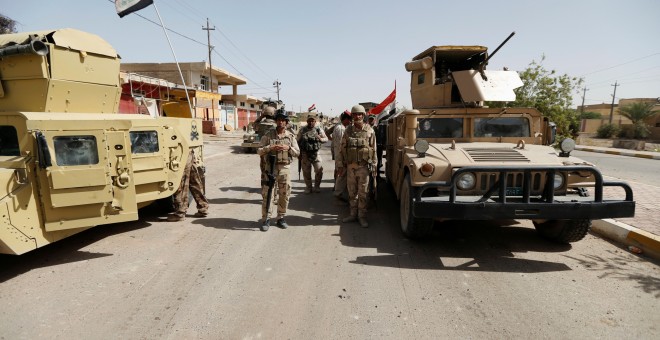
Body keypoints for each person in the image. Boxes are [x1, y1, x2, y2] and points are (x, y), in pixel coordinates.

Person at [257, 112, 300, 231]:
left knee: (284, 194)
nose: (281, 122)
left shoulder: (290, 136)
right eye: (279, 120)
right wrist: (270, 148)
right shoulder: (268, 135)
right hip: (270, 168)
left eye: (283, 120)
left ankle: (281, 217)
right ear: (276, 121)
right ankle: (266, 219)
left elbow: (297, 153)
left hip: (284, 169)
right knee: (268, 194)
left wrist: (288, 148)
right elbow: (259, 151)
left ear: (286, 123)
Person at [337, 104, 377, 228]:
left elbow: (374, 149)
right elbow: (342, 148)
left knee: (363, 193)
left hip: (364, 168)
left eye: (360, 114)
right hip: (350, 167)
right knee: (351, 192)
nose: (357, 116)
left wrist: (374, 165)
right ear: (352, 116)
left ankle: (362, 216)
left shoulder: (370, 130)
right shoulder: (348, 130)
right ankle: (353, 214)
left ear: (363, 116)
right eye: (355, 114)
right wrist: (340, 165)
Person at [167, 149, 209, 221]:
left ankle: (180, 213)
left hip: (179, 153)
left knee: (182, 184)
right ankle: (203, 208)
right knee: (194, 182)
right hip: (189, 152)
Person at [297, 113, 328, 193]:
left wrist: (320, 139)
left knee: (319, 170)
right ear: (307, 121)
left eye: (313, 121)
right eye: (309, 121)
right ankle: (308, 187)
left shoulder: (319, 129)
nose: (311, 122)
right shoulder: (302, 130)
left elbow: (326, 139)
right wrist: (298, 154)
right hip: (305, 154)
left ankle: (317, 186)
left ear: (315, 121)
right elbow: (297, 142)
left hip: (316, 154)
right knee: (306, 172)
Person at [332, 111, 352, 202]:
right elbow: (341, 145)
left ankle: (338, 192)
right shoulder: (341, 129)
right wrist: (343, 159)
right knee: (341, 175)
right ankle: (338, 194)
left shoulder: (339, 127)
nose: (350, 122)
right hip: (341, 156)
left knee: (340, 174)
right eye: (349, 120)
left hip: (339, 155)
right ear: (346, 119)